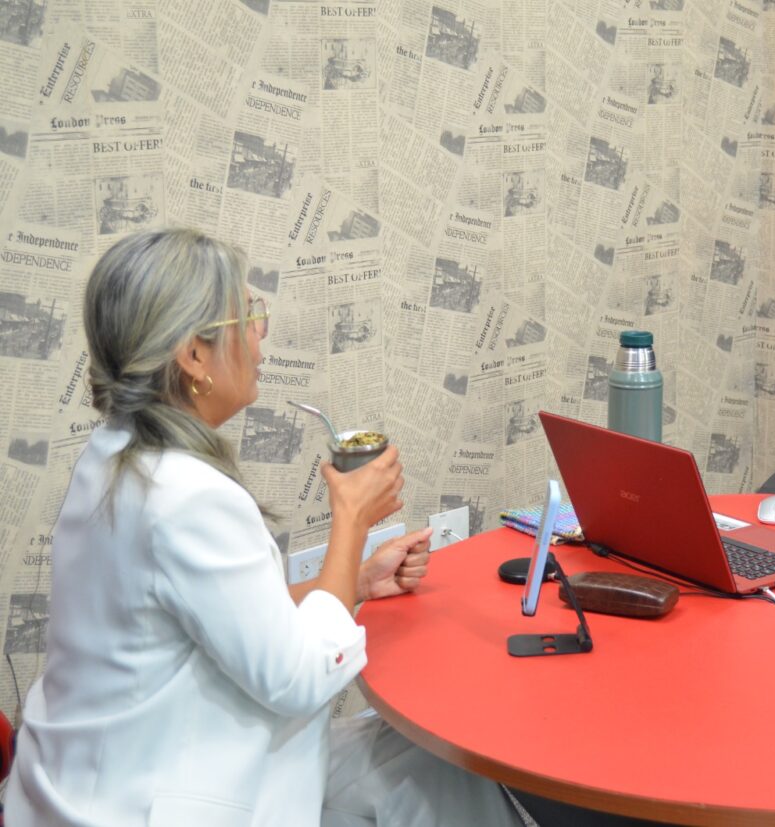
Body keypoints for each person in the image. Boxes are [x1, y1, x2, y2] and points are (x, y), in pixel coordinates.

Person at [4, 228, 522, 826]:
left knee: (433, 764)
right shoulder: (186, 496)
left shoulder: (112, 456)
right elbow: (297, 679)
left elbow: (213, 616)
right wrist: (351, 519)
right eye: (247, 315)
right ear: (193, 356)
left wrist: (354, 580)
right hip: (146, 800)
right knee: (434, 775)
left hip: (85, 778)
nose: (260, 335)